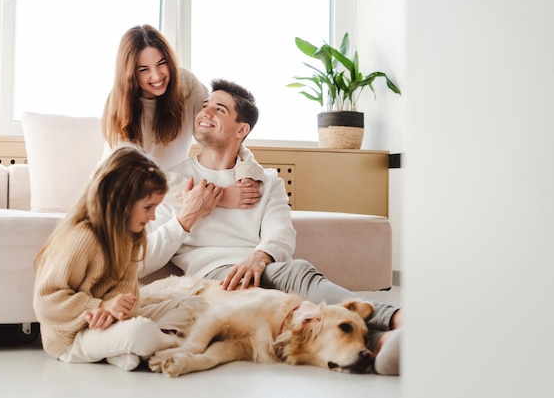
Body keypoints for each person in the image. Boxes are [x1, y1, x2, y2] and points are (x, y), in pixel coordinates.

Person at [145, 79, 402, 376]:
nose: (205, 113)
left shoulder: (265, 181)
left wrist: (260, 256)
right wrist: (186, 217)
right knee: (297, 295)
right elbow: (149, 254)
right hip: (215, 279)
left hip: (265, 267)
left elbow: (281, 233)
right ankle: (386, 333)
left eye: (219, 109)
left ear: (241, 130)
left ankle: (388, 333)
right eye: (204, 106)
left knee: (299, 291)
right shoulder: (173, 180)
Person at [32, 145, 207, 371]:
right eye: (148, 207)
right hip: (72, 336)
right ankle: (170, 345)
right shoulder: (82, 237)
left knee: (197, 305)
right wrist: (100, 306)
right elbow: (46, 301)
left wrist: (114, 312)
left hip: (110, 324)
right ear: (121, 201)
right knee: (140, 333)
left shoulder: (131, 237)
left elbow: (126, 294)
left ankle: (125, 350)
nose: (153, 216)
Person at [101, 24, 262, 209]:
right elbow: (136, 174)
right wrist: (220, 196)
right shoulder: (119, 104)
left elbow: (221, 133)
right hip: (120, 193)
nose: (156, 76)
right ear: (130, 74)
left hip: (170, 192)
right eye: (143, 69)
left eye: (162, 63)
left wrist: (247, 171)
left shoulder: (185, 84)